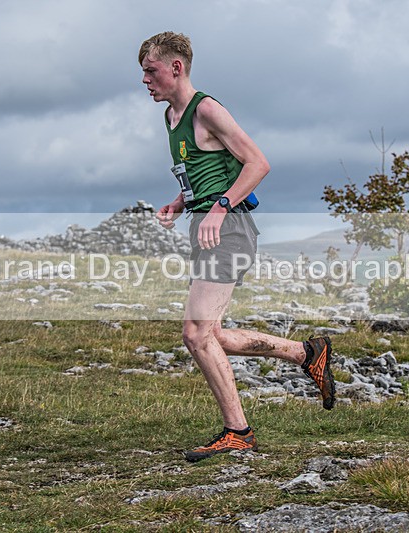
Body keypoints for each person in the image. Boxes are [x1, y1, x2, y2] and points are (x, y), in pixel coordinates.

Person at [139, 31, 336, 462]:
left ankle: (238, 431)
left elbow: (258, 163)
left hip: (228, 228)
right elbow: (206, 170)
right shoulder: (171, 117)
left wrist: (220, 208)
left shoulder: (205, 109)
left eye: (151, 71)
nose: (145, 80)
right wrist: (181, 201)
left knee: (195, 334)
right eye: (142, 73)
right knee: (213, 334)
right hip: (207, 225)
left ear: (176, 68)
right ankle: (306, 354)